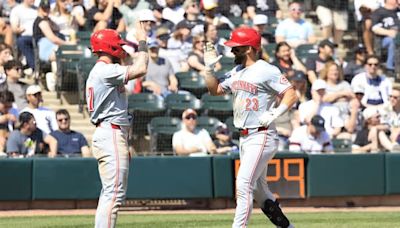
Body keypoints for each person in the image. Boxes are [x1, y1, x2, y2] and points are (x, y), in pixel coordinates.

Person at [202, 27, 296, 228]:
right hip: (244, 138)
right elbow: (215, 90)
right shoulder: (236, 71)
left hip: (261, 135)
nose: (232, 51)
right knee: (262, 195)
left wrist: (275, 113)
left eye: (236, 48)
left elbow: (291, 94)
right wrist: (209, 69)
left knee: (243, 184)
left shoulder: (266, 70)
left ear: (250, 48)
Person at [85, 22, 149, 228]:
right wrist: (142, 42)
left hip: (111, 132)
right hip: (110, 132)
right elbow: (141, 68)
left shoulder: (105, 70)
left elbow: (130, 63)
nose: (121, 48)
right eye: (118, 44)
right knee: (114, 195)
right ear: (110, 47)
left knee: (110, 193)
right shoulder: (105, 70)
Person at [371, 0, 399, 71]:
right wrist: (389, 32)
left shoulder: (398, 12)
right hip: (383, 40)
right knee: (393, 40)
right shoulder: (379, 12)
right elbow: (375, 28)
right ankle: (390, 67)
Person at [10, 0, 37, 70]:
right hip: (26, 36)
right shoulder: (17, 10)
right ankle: (35, 67)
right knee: (21, 41)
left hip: (40, 35)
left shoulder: (37, 9)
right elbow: (14, 28)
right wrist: (20, 30)